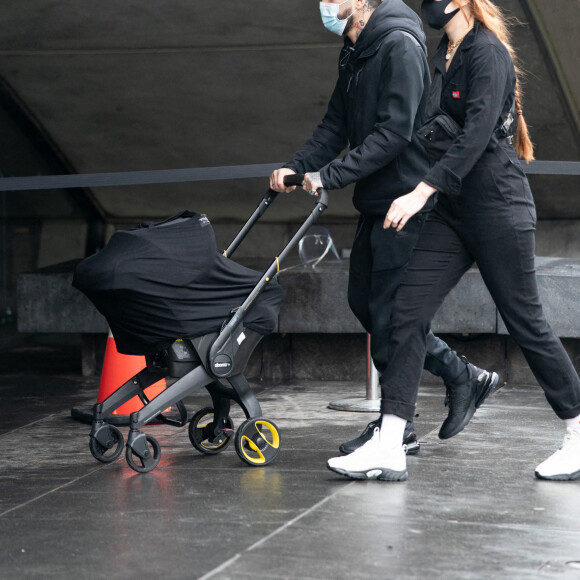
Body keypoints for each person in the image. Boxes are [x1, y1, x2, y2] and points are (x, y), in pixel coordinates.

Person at [327, 0, 580, 482]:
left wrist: (418, 192)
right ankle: (390, 441)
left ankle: (577, 429)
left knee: (526, 322)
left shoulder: (488, 54)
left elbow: (475, 135)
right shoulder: (442, 53)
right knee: (405, 310)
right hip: (452, 210)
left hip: (498, 208)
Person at [270, 0, 498, 456]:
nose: (324, 4)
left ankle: (398, 424)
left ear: (358, 3)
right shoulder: (354, 49)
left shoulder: (399, 45)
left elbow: (395, 133)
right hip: (376, 201)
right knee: (367, 305)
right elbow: (336, 124)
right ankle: (460, 377)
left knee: (392, 313)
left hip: (408, 201)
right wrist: (297, 167)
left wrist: (327, 177)